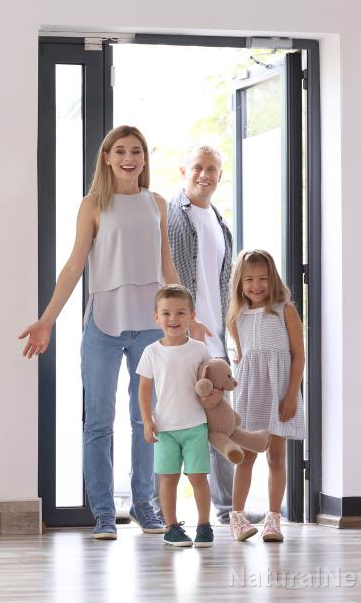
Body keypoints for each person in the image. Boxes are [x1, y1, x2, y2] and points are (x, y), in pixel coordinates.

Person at [19, 125, 205, 540]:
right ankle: (103, 513)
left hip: (150, 328)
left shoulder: (157, 204)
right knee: (99, 421)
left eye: (136, 151)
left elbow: (167, 266)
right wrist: (47, 319)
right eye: (119, 151)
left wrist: (187, 315)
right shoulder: (93, 205)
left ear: (144, 158)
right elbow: (74, 266)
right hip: (103, 324)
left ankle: (144, 505)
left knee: (146, 420)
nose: (128, 158)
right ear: (106, 157)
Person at [167, 145, 263, 525]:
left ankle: (227, 508)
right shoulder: (172, 216)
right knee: (175, 422)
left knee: (219, 420)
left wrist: (232, 335)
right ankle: (160, 508)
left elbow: (225, 289)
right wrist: (185, 322)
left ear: (220, 176)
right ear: (183, 170)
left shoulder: (220, 223)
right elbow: (167, 277)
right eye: (197, 167)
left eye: (211, 169)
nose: (204, 175)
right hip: (183, 339)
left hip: (214, 341)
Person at [226, 249, 306, 543]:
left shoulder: (286, 310)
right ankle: (237, 517)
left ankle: (273, 519)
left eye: (262, 278)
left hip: (279, 392)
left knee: (276, 456)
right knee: (246, 456)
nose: (256, 285)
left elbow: (298, 356)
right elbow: (243, 357)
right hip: (250, 394)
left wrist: (290, 395)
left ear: (273, 279)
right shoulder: (237, 318)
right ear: (240, 283)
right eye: (249, 279)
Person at [137, 284, 214, 548]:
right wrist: (147, 421)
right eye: (167, 313)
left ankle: (204, 526)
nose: (174, 319)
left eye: (181, 313)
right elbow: (144, 389)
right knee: (168, 479)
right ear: (156, 317)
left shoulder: (200, 350)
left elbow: (212, 383)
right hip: (165, 428)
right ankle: (171, 527)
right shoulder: (151, 351)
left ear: (192, 315)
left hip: (196, 426)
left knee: (198, 478)